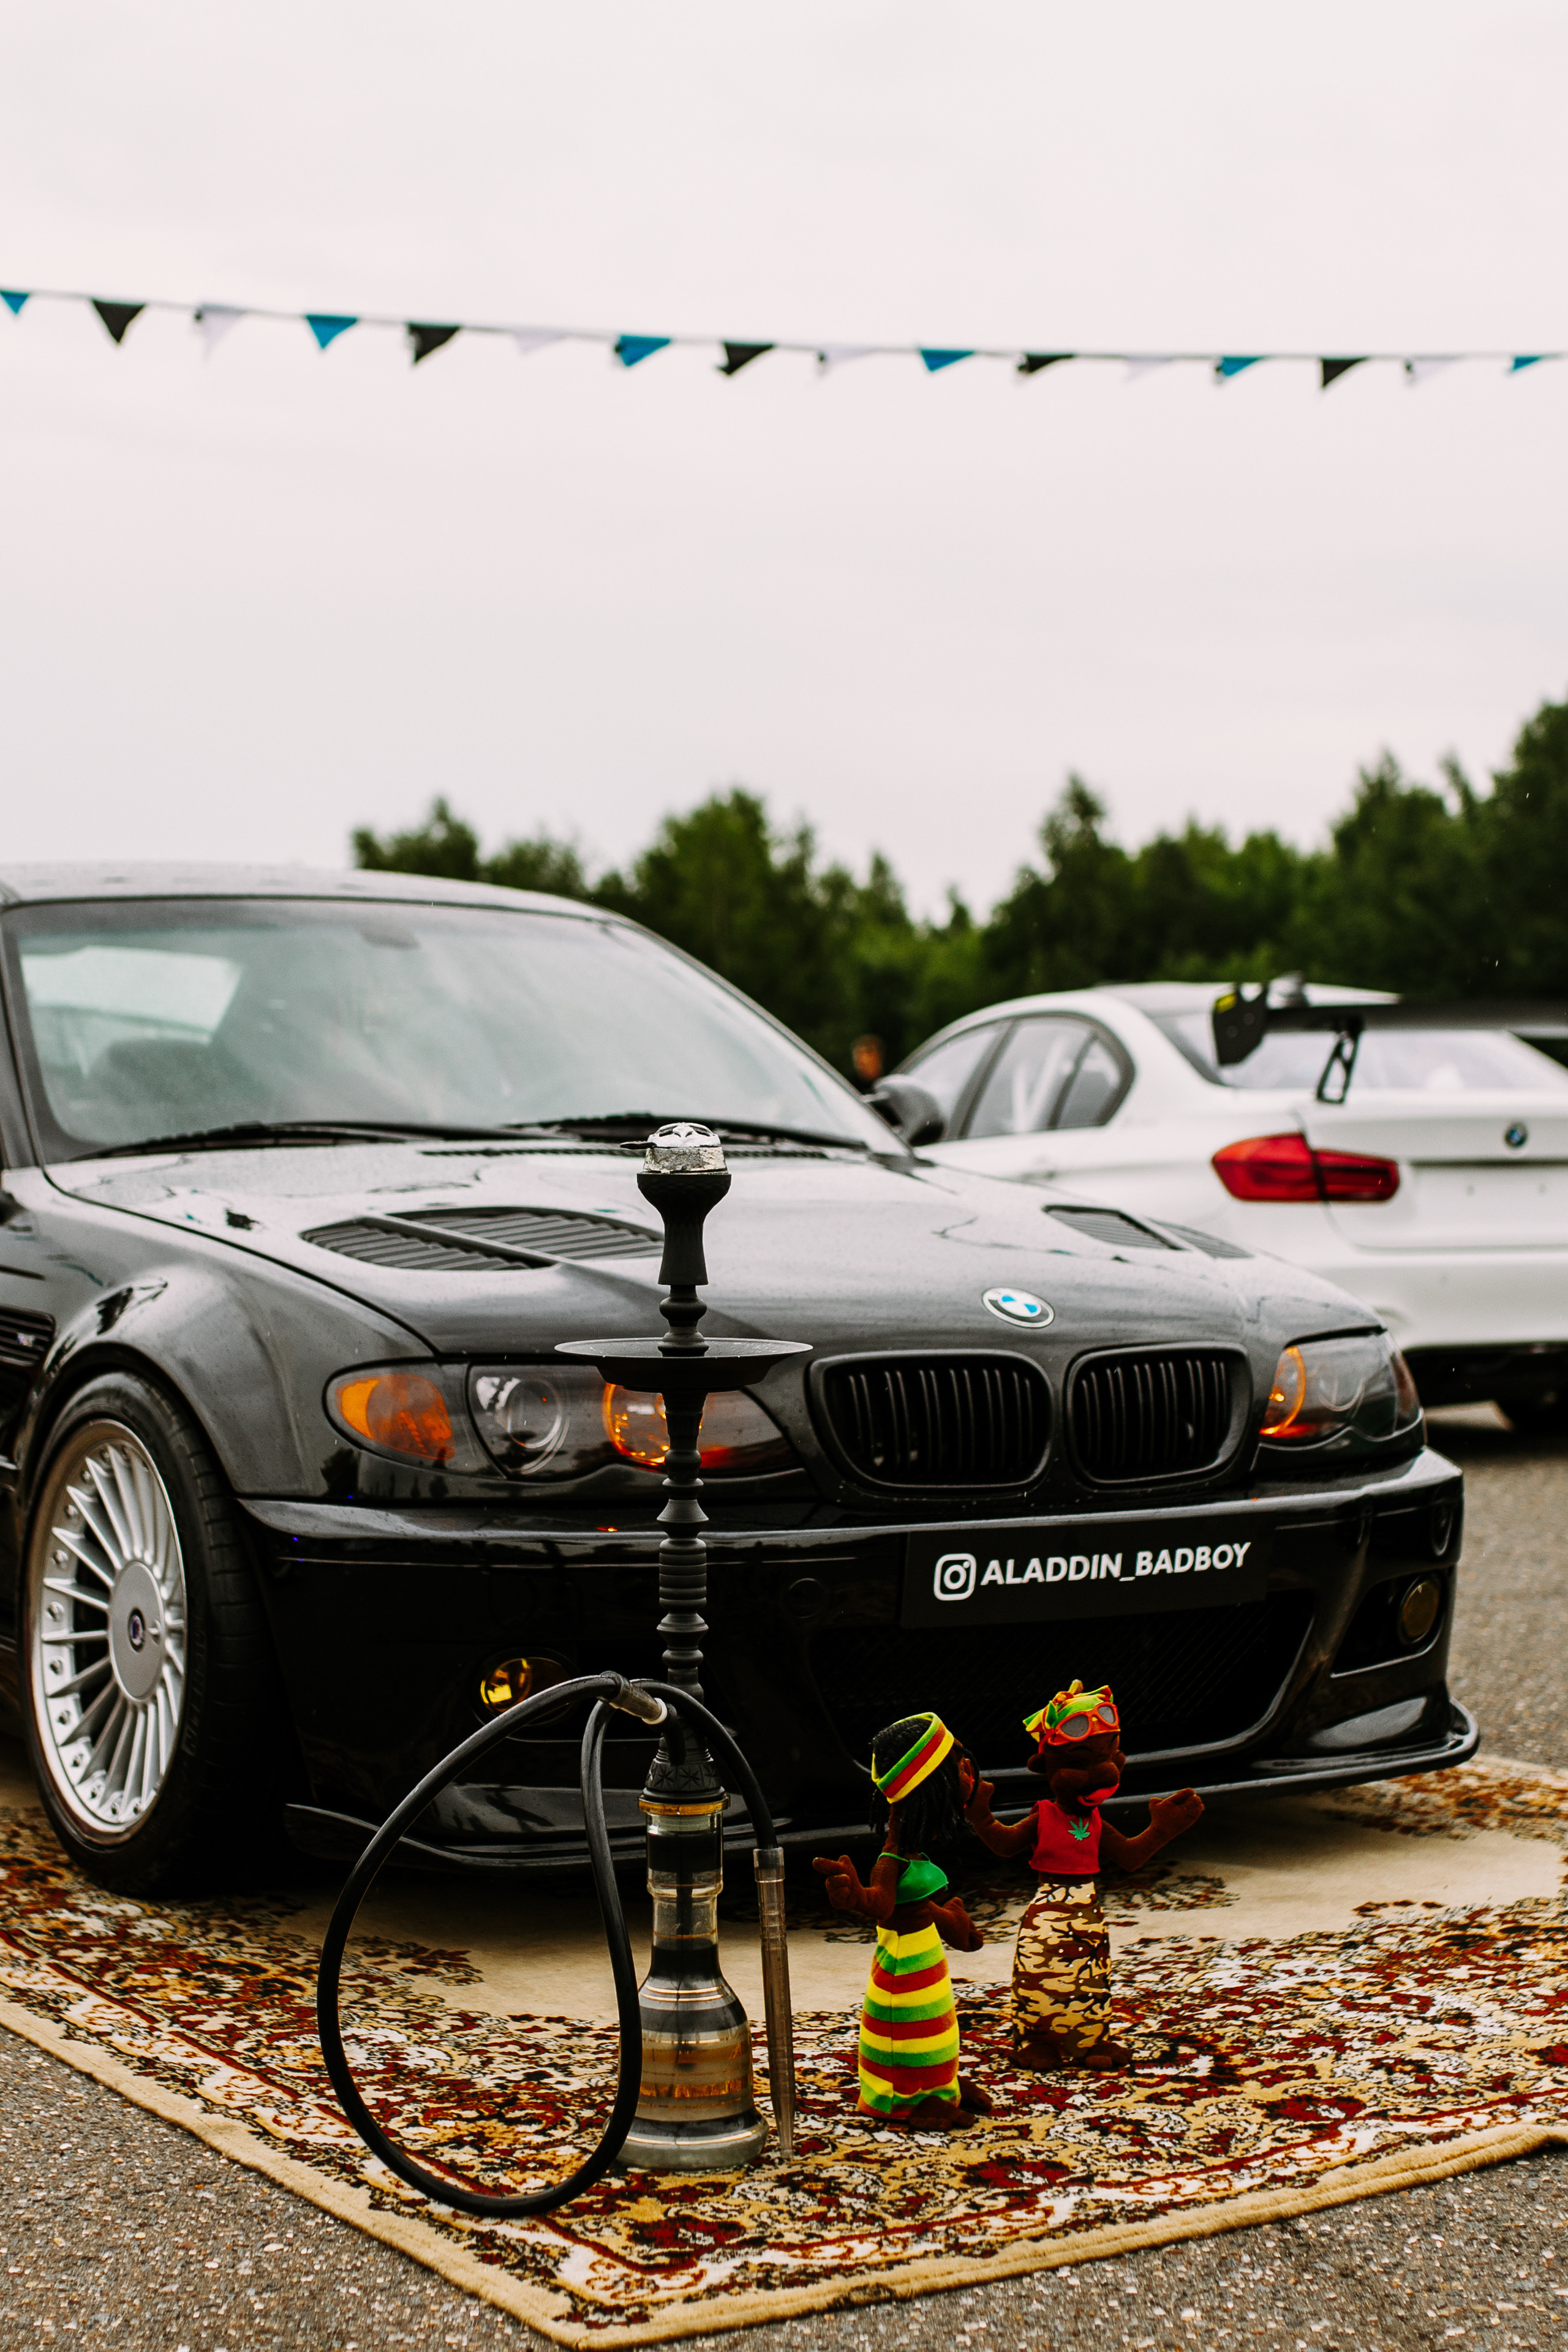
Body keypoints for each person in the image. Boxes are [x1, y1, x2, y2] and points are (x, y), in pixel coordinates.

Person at [965, 1680, 1204, 2070]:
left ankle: (1090, 2039)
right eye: (1080, 1763)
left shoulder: (1094, 1819)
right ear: (1046, 1767)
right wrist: (980, 1813)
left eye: (1110, 1757)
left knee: (1091, 1980)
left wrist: (1163, 1829)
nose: (1105, 1772)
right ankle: (1037, 2040)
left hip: (1089, 1915)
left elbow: (1130, 1856)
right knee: (1040, 1976)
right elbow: (1004, 1845)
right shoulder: (1043, 1815)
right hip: (1047, 1914)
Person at [812, 1711, 995, 2128]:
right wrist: (856, 1895)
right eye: (958, 1770)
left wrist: (955, 1923)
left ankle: (940, 2085)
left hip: (925, 1958)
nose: (968, 1775)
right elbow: (882, 1904)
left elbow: (926, 1909)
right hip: (903, 1966)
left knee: (937, 2026)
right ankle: (905, 2099)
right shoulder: (891, 1858)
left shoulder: (914, 1850)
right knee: (909, 2026)